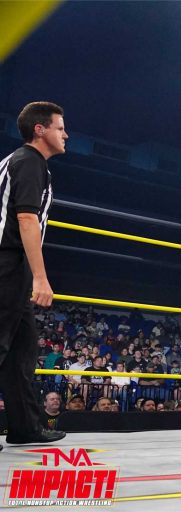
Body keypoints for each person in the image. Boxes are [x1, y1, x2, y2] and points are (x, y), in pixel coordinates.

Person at [0, 102, 68, 449]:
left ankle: (25, 426)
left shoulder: (18, 161)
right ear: (39, 130)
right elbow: (26, 219)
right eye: (60, 128)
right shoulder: (29, 161)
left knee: (21, 350)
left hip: (14, 265)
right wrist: (40, 277)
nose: (65, 134)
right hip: (7, 262)